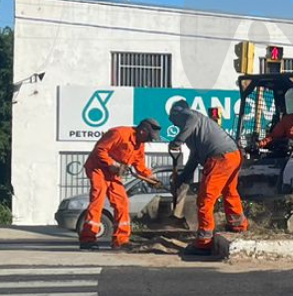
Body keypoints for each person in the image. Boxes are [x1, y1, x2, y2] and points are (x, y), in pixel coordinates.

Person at [168, 100, 248, 252]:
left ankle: (205, 241)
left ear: (176, 114)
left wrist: (177, 142)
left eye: (175, 122)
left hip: (220, 157)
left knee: (205, 200)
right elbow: (193, 160)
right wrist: (181, 179)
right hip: (233, 155)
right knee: (229, 192)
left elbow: (190, 120)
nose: (177, 126)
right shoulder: (197, 135)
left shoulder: (189, 115)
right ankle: (238, 225)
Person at [79, 119, 162, 250]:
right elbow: (100, 150)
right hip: (98, 168)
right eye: (149, 137)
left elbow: (139, 164)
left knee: (122, 203)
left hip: (113, 173)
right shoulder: (119, 133)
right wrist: (112, 164)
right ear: (142, 131)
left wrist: (150, 177)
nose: (150, 141)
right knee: (98, 200)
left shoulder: (139, 145)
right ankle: (87, 239)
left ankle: (120, 240)